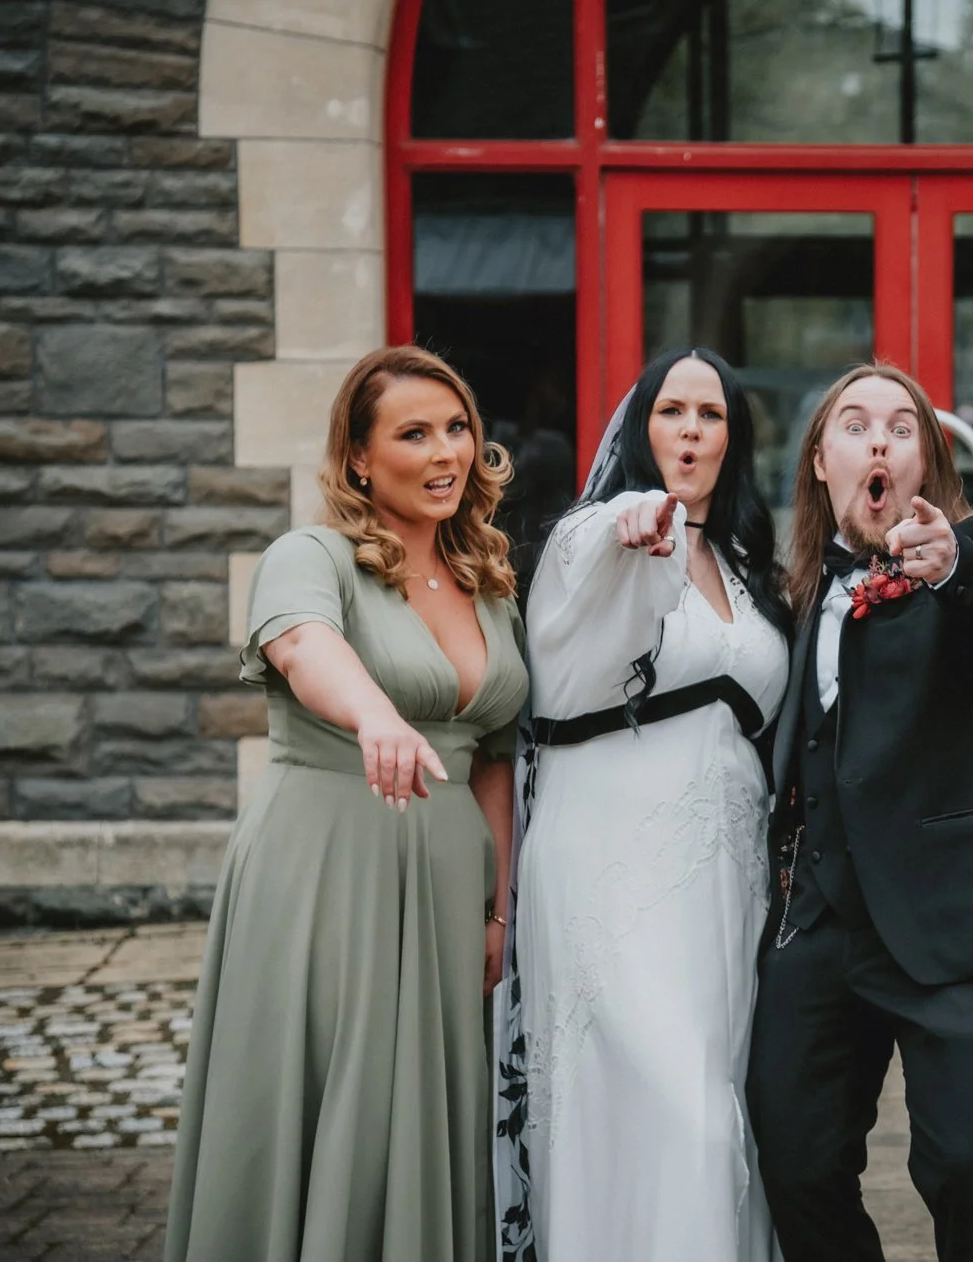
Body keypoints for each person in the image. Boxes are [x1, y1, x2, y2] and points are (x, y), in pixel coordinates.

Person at [167, 346, 529, 1262]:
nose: (446, 451)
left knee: (425, 1114)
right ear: (360, 457)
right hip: (327, 873)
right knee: (332, 1099)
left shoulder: (488, 580)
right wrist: (375, 715)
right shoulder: (312, 555)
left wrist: (497, 904)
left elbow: (493, 752)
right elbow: (298, 642)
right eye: (414, 433)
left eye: (457, 429)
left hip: (449, 889)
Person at [746, 364, 973, 1262]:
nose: (882, 439)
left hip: (950, 919)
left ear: (926, 464)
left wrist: (953, 559)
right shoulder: (805, 589)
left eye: (904, 426)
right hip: (819, 924)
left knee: (966, 1163)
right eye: (856, 425)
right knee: (796, 1161)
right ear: (823, 461)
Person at [496, 348, 792, 1261]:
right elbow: (609, 554)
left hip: (723, 885)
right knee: (673, 1110)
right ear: (639, 428)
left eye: (710, 414)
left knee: (717, 1098)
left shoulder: (747, 564)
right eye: (671, 411)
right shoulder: (593, 538)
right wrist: (638, 521)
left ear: (732, 437)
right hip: (611, 866)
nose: (691, 430)